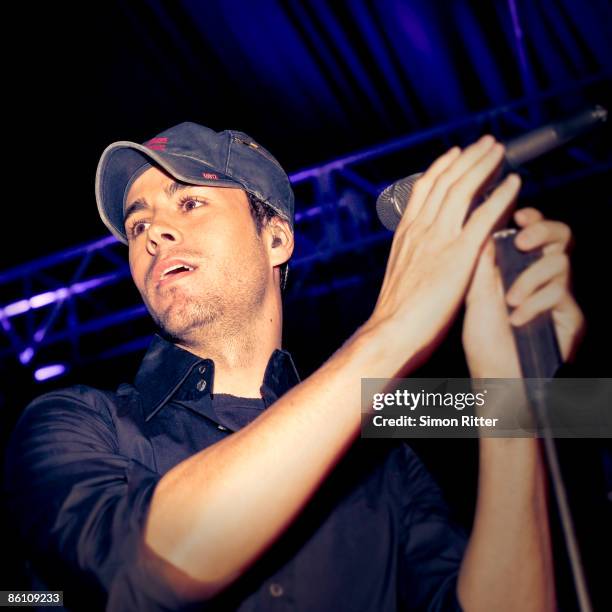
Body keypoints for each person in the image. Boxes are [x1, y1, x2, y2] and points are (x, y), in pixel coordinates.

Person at [3, 122, 584, 611]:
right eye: (137, 225)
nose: (155, 232)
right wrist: (395, 330)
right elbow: (147, 565)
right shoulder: (72, 424)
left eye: (189, 201)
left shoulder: (383, 459)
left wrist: (511, 391)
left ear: (276, 238)